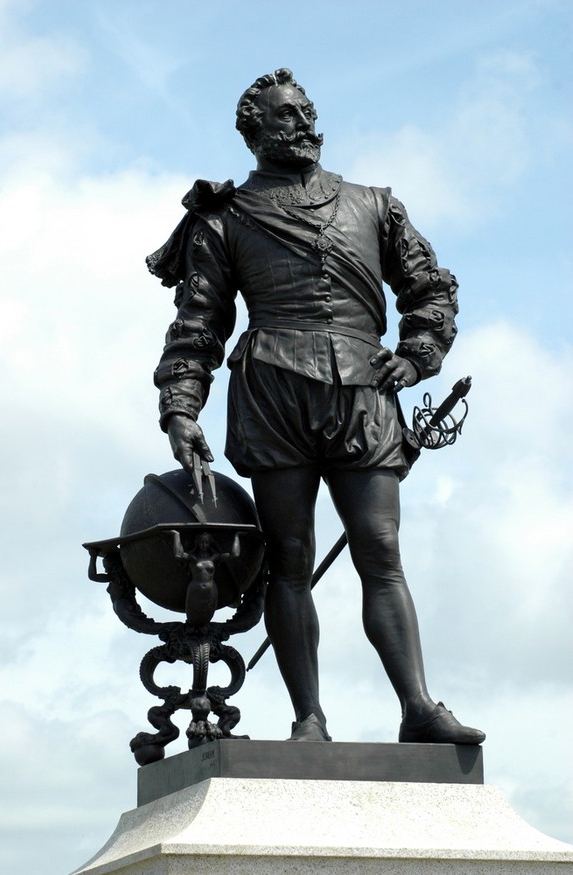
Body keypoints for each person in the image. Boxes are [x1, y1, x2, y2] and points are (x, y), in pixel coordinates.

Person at [147, 68, 485, 745]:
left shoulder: (375, 205)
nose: (300, 123)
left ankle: (417, 706)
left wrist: (417, 354)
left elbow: (431, 288)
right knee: (290, 557)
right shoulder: (224, 217)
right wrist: (182, 407)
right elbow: (199, 323)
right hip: (273, 395)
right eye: (283, 115)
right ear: (253, 132)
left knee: (381, 548)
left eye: (305, 111)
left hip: (363, 392)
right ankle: (309, 718)